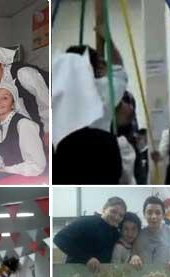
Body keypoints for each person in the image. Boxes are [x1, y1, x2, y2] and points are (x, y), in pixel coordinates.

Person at [53, 28, 126, 184]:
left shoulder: (55, 93)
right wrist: (107, 36)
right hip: (100, 156)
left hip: (65, 158)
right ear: (97, 67)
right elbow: (119, 69)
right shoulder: (102, 90)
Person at [0, 46, 49, 140]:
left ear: (2, 65)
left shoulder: (23, 73)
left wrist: (48, 129)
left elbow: (45, 99)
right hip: (31, 130)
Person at [0, 81, 46, 177]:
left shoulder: (24, 125)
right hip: (10, 174)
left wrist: (3, 170)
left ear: (13, 104)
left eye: (5, 98)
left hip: (28, 177)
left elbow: (37, 166)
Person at [53, 196, 126, 272]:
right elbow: (59, 238)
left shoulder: (115, 233)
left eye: (121, 215)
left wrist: (134, 257)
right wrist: (86, 258)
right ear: (104, 209)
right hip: (75, 273)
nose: (116, 217)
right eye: (113, 211)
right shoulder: (86, 221)